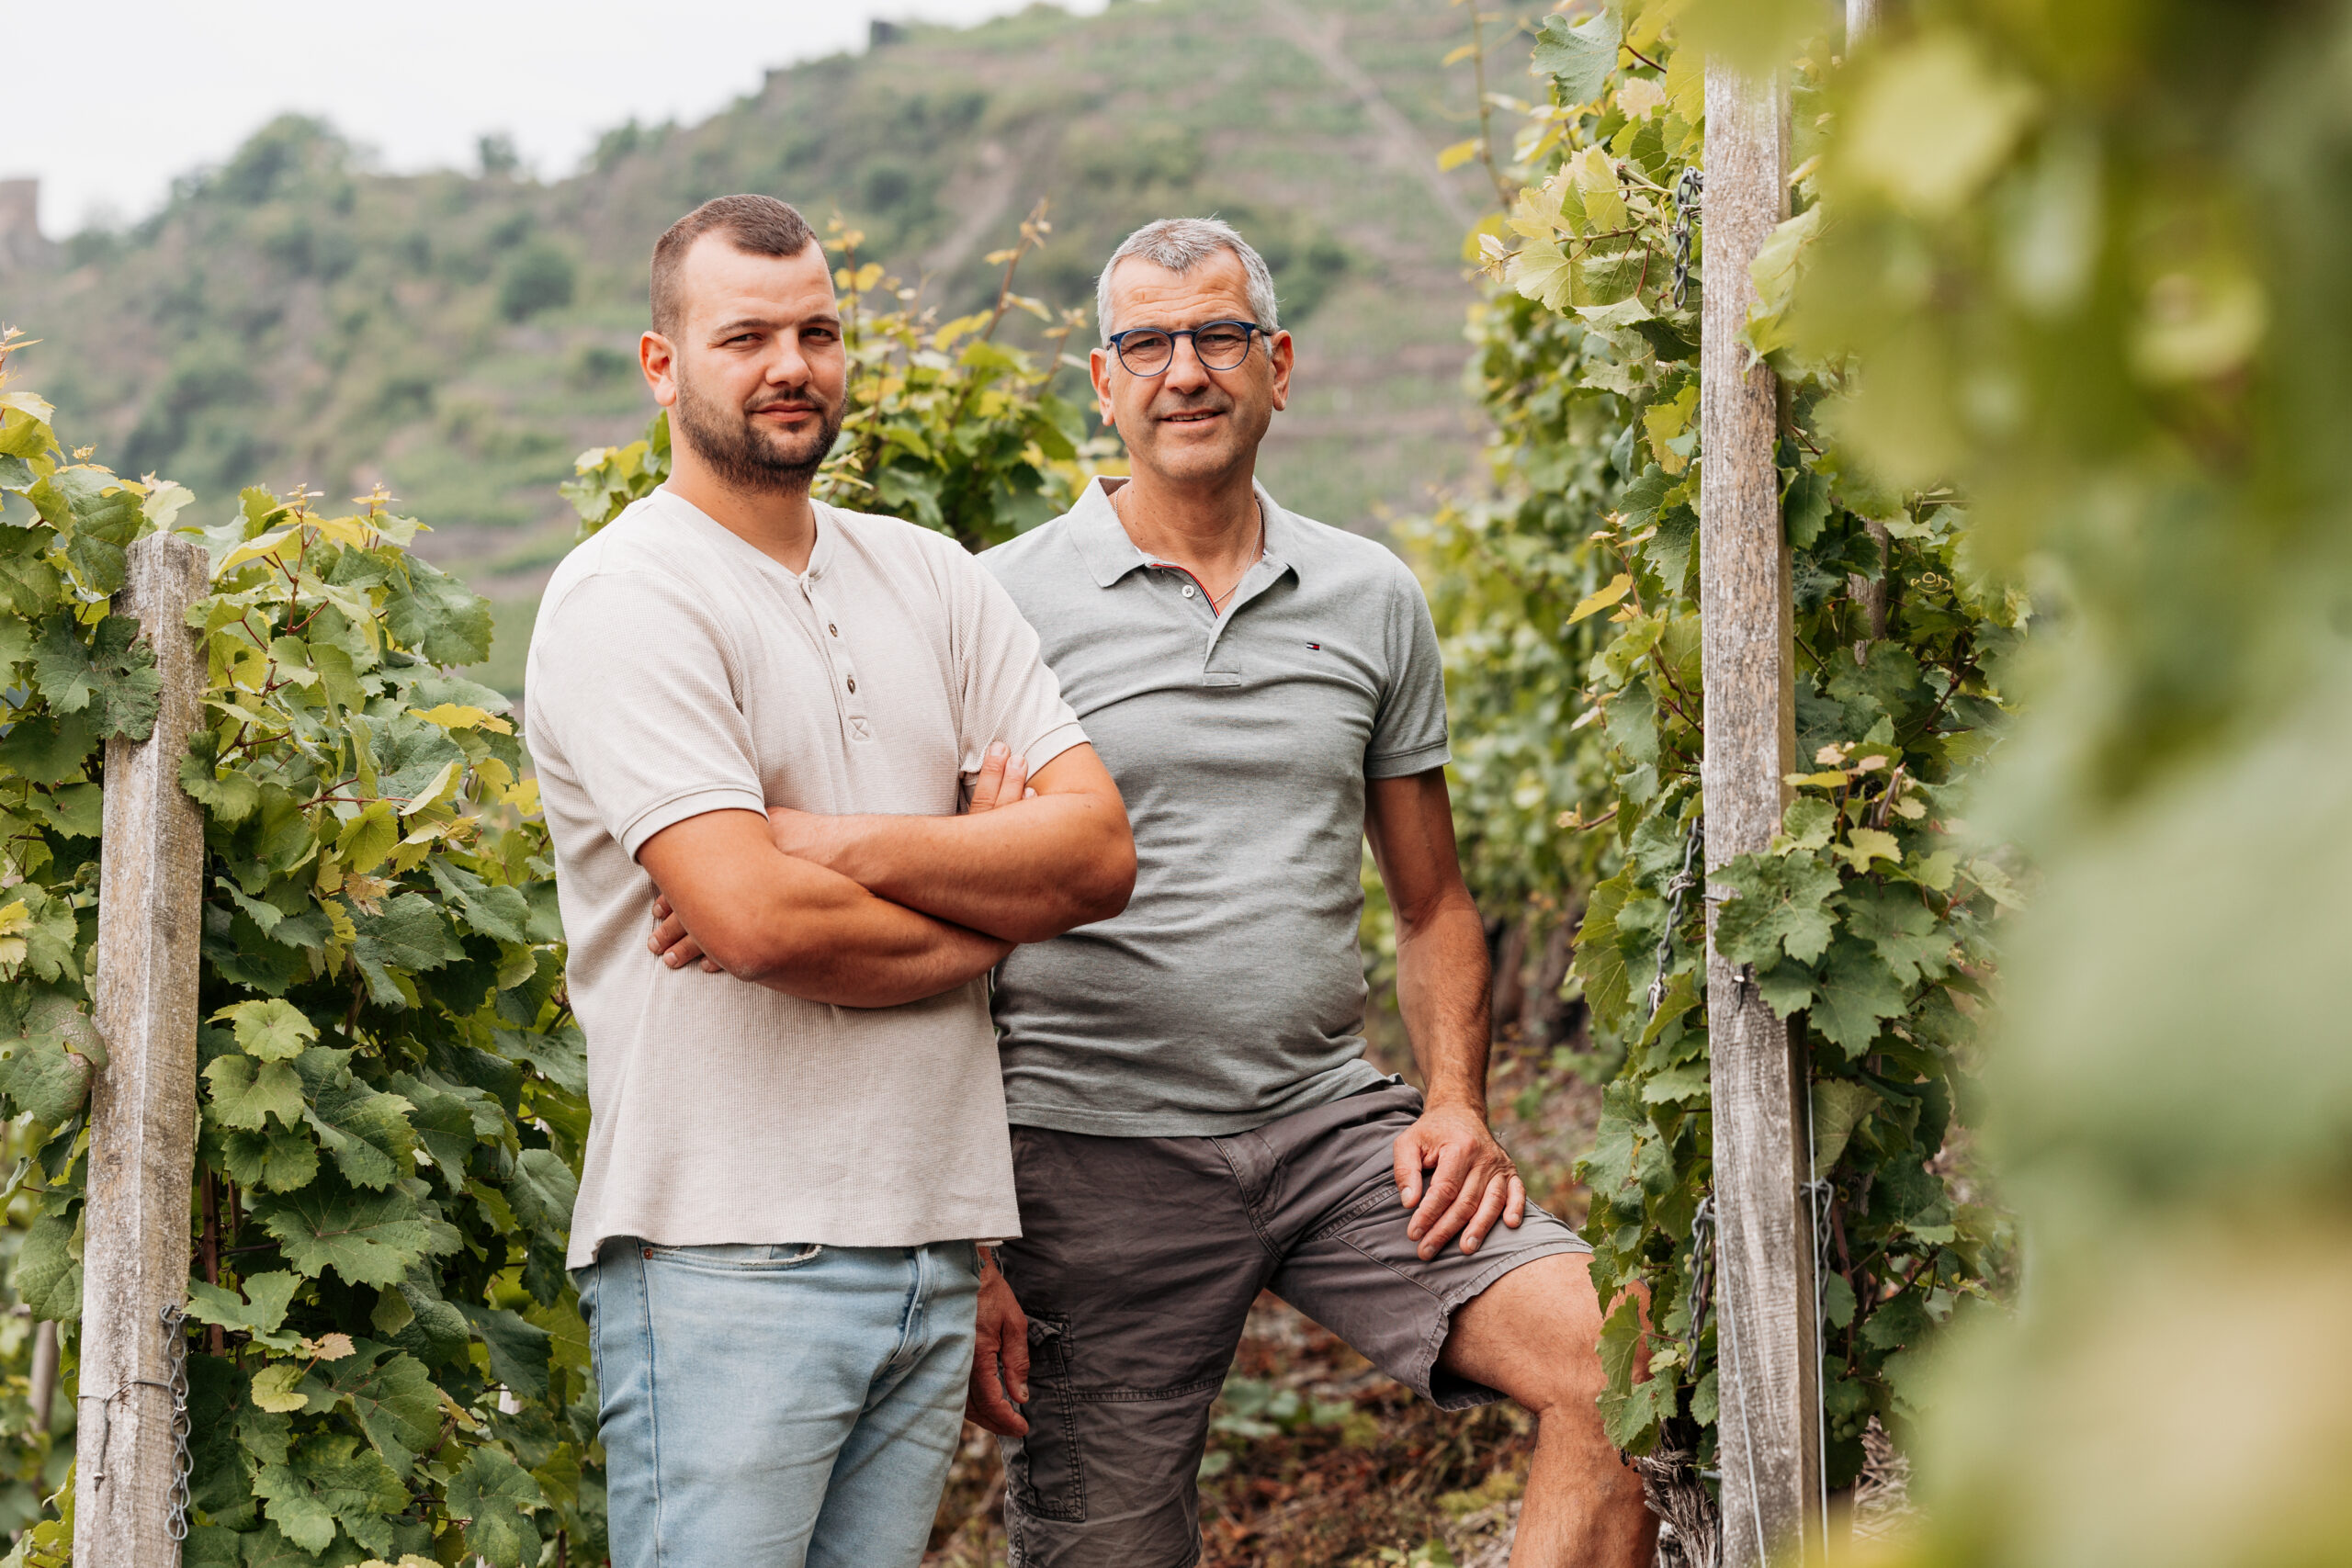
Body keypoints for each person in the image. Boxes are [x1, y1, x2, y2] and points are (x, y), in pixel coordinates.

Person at [967, 219, 1656, 1566]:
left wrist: (1457, 1101)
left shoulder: (1370, 595)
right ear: (1101, 385)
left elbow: (1434, 903)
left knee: (1616, 1364)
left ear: (1278, 365)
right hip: (1088, 1159)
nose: (1187, 373)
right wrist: (971, 1238)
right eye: (1147, 345)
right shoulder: (997, 605)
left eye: (1219, 337)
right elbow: (957, 923)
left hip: (1327, 1131)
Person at [526, 194, 1136, 1568]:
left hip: (931, 1240)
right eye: (744, 335)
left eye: (817, 330)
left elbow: (1096, 856)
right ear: (661, 364)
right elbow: (748, 920)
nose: (791, 364)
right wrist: (989, 898)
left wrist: (813, 839)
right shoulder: (628, 595)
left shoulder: (936, 578)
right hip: (726, 1254)